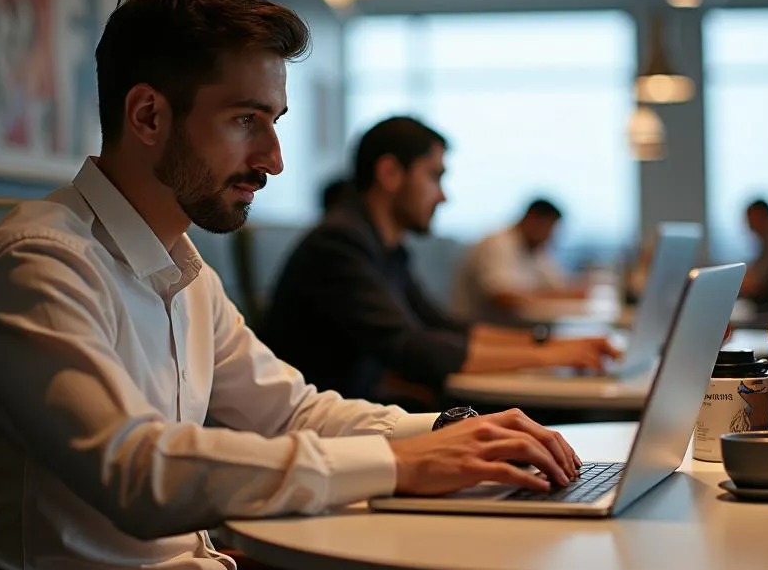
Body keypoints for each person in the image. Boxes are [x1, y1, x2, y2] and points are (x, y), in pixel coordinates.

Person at [0, 0, 642, 570]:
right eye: (246, 120)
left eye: (274, 121)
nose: (273, 158)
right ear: (147, 116)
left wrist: (446, 434)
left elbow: (292, 410)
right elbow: (134, 472)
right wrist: (401, 463)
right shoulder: (38, 265)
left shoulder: (182, 269)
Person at [261, 116, 618, 405]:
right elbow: (412, 349)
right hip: (324, 427)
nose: (443, 196)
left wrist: (549, 346)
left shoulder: (386, 248)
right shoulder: (339, 244)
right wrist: (550, 356)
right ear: (390, 174)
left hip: (357, 406)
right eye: (434, 176)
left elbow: (442, 325)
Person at [452, 198, 589, 323]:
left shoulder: (535, 248)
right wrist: (552, 295)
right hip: (479, 331)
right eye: (549, 229)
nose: (550, 237)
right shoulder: (497, 244)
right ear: (533, 220)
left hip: (514, 329)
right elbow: (502, 298)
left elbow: (558, 287)